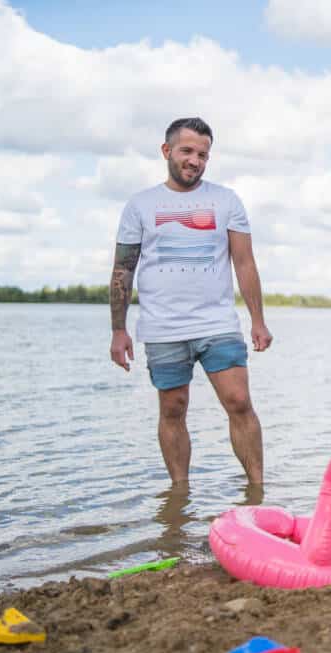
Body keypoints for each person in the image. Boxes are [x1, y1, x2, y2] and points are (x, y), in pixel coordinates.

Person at [109, 117, 272, 486]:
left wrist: (258, 320)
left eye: (203, 154)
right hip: (163, 327)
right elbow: (122, 271)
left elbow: (244, 263)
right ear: (167, 151)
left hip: (217, 323)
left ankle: (257, 490)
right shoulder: (140, 205)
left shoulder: (225, 200)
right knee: (172, 408)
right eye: (187, 151)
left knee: (239, 402)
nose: (195, 160)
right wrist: (118, 330)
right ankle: (179, 496)